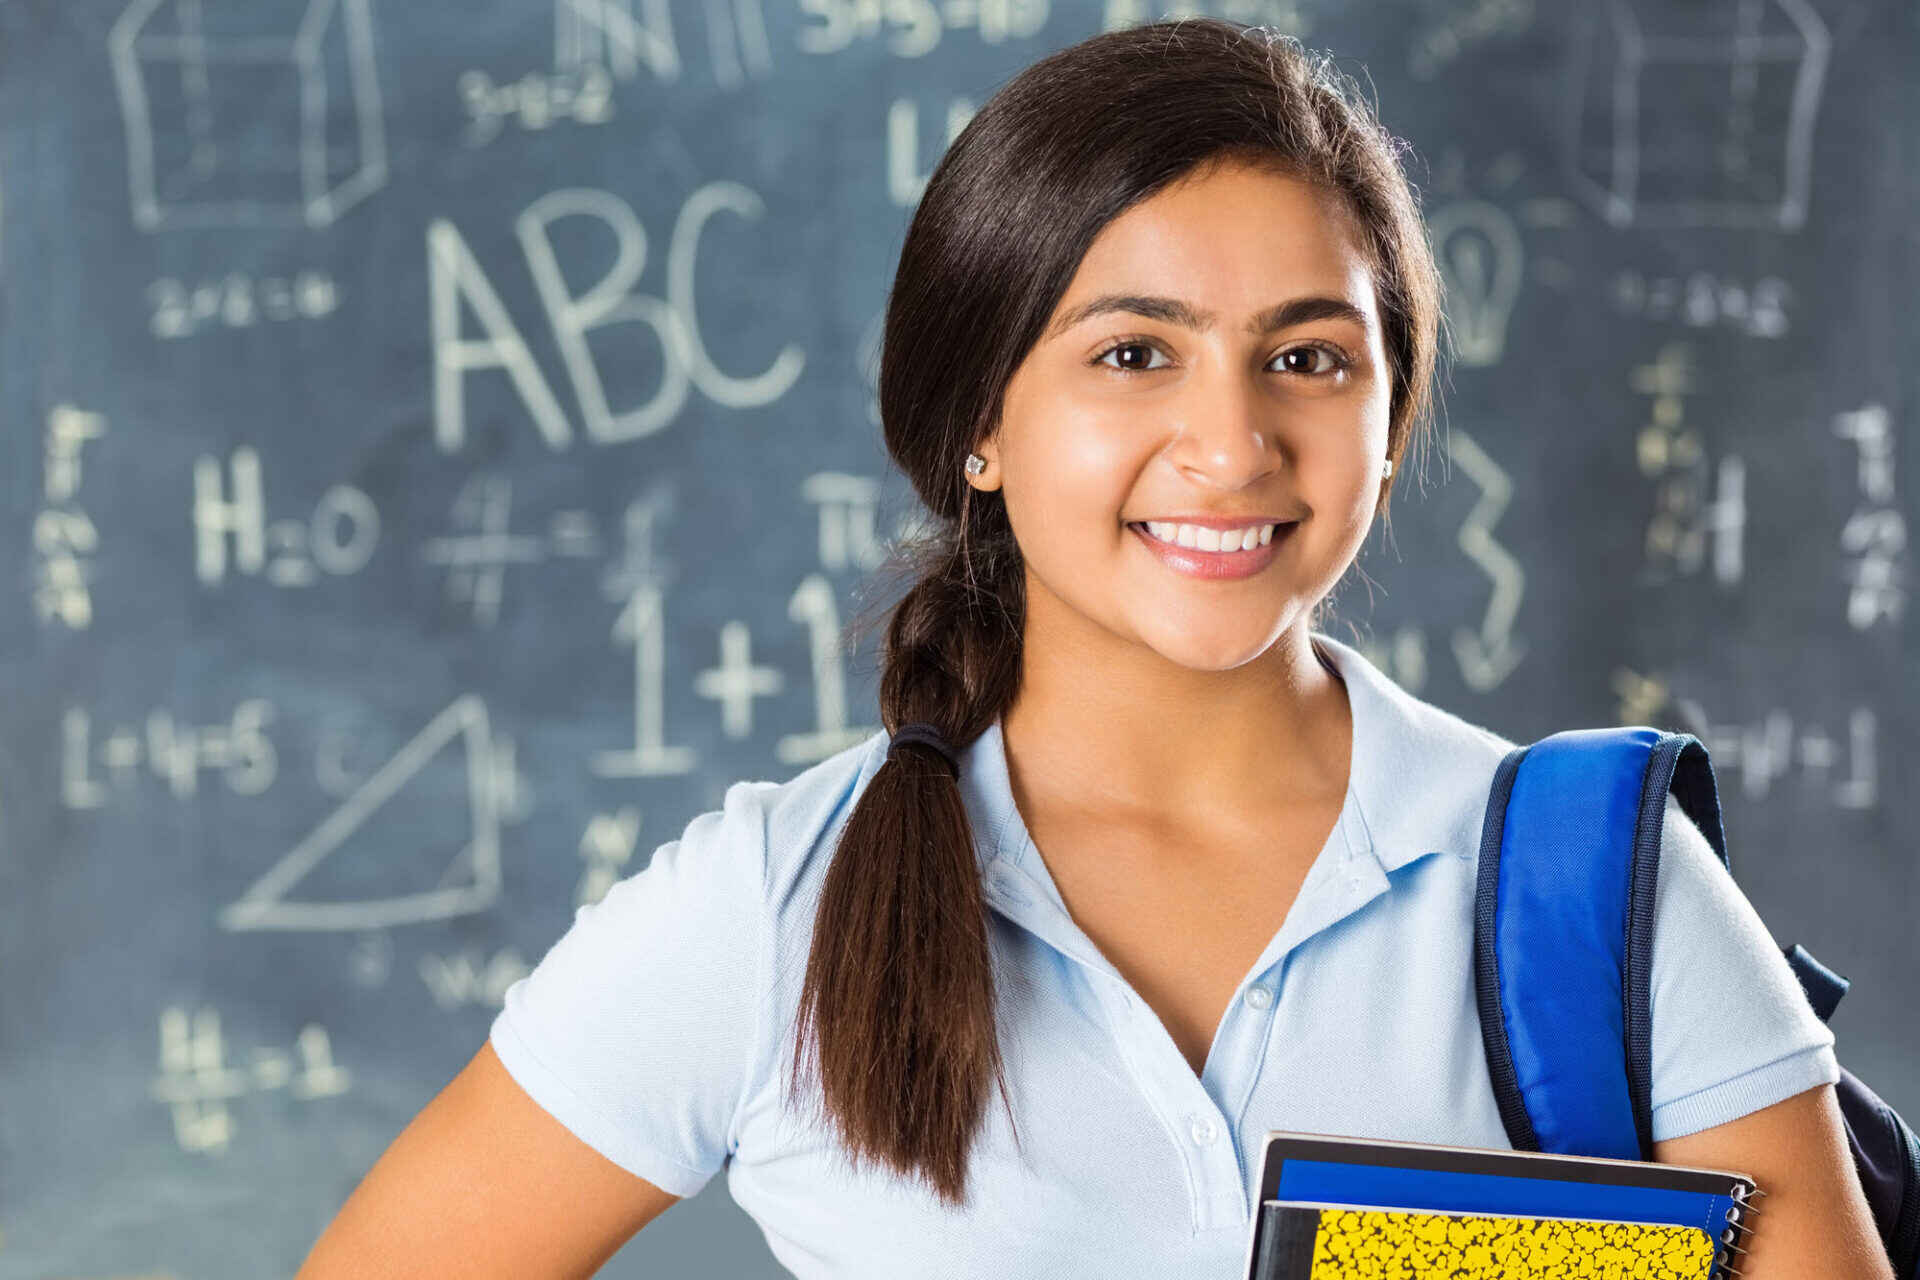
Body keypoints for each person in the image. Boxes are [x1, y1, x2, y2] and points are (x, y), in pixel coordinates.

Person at [295, 18, 1890, 1279]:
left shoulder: (1595, 893)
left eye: (1310, 358)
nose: (1230, 441)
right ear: (978, 419)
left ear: (1392, 421)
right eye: (1133, 352)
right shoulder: (771, 913)